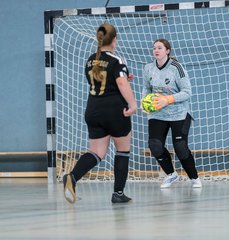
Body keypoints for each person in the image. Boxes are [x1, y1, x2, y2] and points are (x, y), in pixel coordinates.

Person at [63, 23, 137, 204]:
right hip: (114, 111)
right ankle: (118, 193)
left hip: (93, 110)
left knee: (96, 152)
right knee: (122, 150)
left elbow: (98, 80)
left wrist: (121, 78)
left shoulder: (90, 59)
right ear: (114, 40)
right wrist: (133, 104)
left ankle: (72, 177)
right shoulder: (116, 60)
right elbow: (120, 83)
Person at [142, 39, 201, 188]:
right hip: (158, 113)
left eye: (159, 48)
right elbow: (146, 88)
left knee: (180, 146)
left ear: (167, 51)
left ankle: (194, 177)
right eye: (154, 48)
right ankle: (171, 174)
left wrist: (167, 99)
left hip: (179, 113)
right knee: (154, 145)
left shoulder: (177, 68)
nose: (156, 50)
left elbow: (187, 92)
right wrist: (144, 103)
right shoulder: (148, 68)